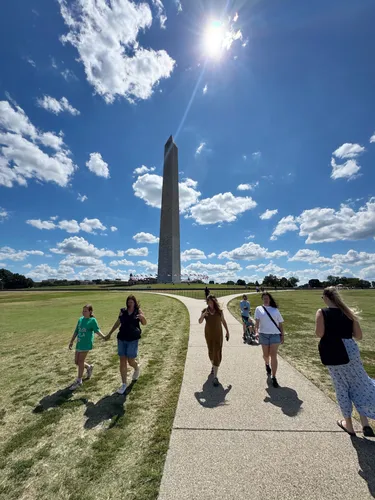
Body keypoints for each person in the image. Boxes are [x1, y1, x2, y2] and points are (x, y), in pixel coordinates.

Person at [315, 287, 375, 437]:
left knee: (342, 387)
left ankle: (348, 424)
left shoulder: (322, 312)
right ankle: (365, 422)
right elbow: (359, 336)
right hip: (351, 350)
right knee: (360, 383)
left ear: (325, 298)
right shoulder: (348, 312)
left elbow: (319, 333)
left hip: (333, 351)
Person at [106, 295, 147, 395]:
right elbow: (118, 322)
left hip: (132, 339)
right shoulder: (123, 311)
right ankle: (124, 384)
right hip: (122, 338)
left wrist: (142, 317)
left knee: (130, 360)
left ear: (135, 303)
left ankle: (136, 367)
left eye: (132, 302)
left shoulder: (138, 311)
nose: (130, 304)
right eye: (128, 302)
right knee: (122, 361)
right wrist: (110, 333)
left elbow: (144, 323)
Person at [68, 304, 106, 390]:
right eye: (83, 311)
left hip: (86, 344)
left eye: (85, 311)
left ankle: (79, 381)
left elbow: (97, 330)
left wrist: (103, 336)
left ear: (90, 312)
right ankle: (89, 367)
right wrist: (71, 341)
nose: (83, 312)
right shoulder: (80, 320)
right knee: (77, 362)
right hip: (79, 343)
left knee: (81, 361)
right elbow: (76, 331)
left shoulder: (92, 320)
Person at [198, 294, 230, 387]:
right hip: (209, 335)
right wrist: (203, 315)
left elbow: (223, 321)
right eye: (209, 302)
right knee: (211, 352)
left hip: (218, 335)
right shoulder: (205, 311)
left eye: (212, 301)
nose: (210, 303)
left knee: (217, 352)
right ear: (207, 302)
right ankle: (213, 365)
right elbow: (199, 321)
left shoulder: (219, 311)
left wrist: (227, 332)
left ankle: (215, 377)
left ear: (214, 302)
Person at [255, 292, 284, 388]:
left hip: (275, 335)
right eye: (264, 298)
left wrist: (282, 336)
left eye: (267, 298)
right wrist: (256, 331)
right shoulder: (259, 309)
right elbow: (257, 322)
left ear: (270, 299)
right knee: (266, 355)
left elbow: (280, 324)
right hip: (264, 334)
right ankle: (267, 364)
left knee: (273, 355)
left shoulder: (275, 310)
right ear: (262, 299)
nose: (266, 300)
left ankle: (274, 377)